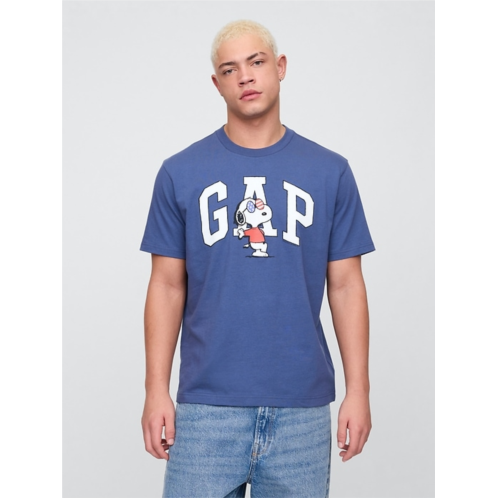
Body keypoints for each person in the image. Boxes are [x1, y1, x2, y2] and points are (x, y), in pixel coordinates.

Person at [140, 19, 375, 498]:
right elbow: (166, 285)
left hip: (301, 411)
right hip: (206, 409)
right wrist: (155, 389)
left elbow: (346, 285)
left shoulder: (330, 172)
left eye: (256, 62)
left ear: (280, 67)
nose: (245, 76)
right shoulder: (180, 173)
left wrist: (359, 390)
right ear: (216, 83)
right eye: (230, 69)